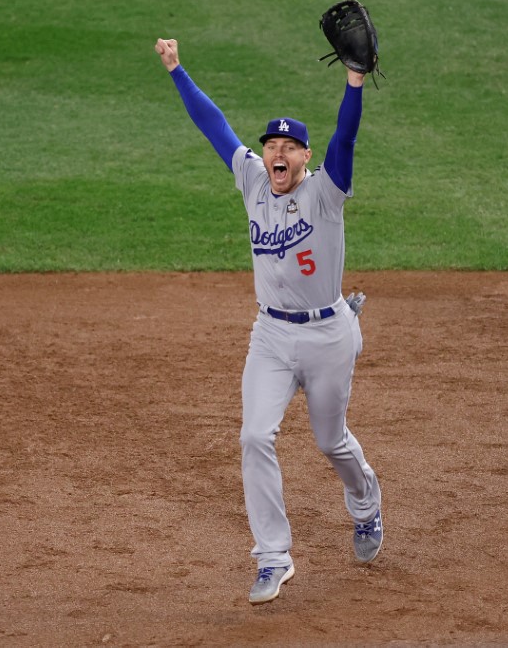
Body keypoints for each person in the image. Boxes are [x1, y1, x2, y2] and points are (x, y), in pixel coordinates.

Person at [154, 37, 383, 605]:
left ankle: (366, 502)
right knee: (254, 435)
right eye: (272, 145)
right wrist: (178, 70)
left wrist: (354, 83)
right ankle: (273, 557)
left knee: (330, 441)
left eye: (289, 146)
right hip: (272, 334)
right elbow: (214, 126)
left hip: (328, 334)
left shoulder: (328, 192)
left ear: (305, 158)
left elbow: (346, 137)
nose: (277, 153)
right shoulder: (254, 179)